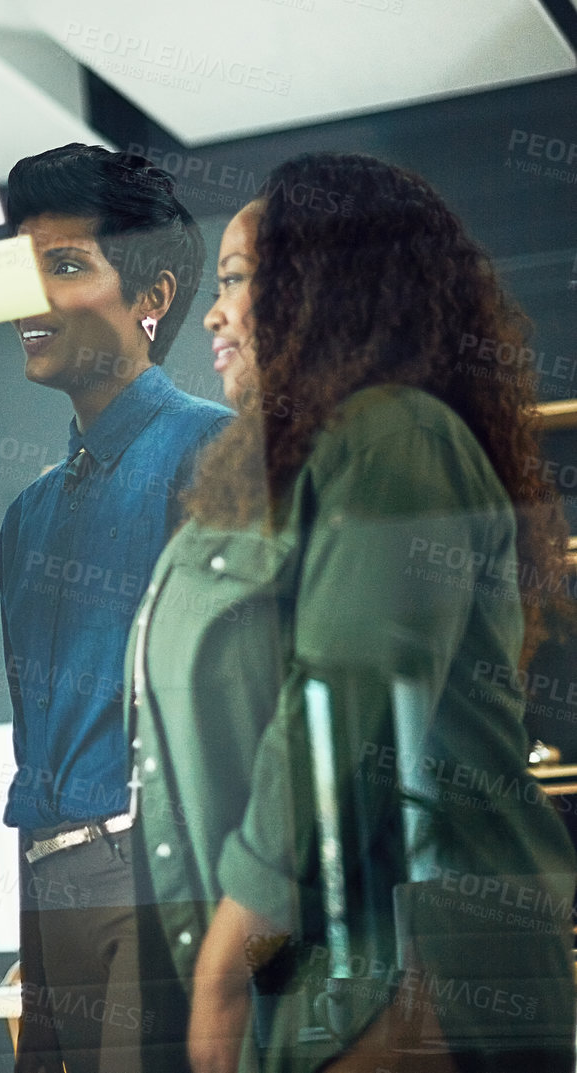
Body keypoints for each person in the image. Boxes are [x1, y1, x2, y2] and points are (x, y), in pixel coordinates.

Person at [128, 153, 576, 1073]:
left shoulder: (393, 434)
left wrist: (220, 968)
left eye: (239, 280)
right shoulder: (298, 468)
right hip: (322, 977)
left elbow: (341, 709)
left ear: (325, 289)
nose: (211, 314)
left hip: (410, 974)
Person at [0, 144, 229, 1073]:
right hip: (52, 892)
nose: (31, 300)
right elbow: (35, 752)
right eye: (24, 269)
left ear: (152, 295)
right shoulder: (27, 516)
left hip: (164, 879)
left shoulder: (216, 457)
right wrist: (37, 985)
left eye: (64, 266)